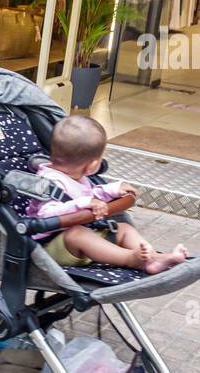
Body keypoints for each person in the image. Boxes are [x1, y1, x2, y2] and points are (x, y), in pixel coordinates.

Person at [31, 116, 188, 274]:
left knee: (123, 229)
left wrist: (113, 189)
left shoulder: (75, 176)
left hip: (84, 234)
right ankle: (132, 259)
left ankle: (153, 259)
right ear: (92, 165)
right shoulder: (48, 181)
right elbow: (45, 215)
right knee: (77, 234)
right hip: (51, 247)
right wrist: (85, 203)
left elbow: (89, 194)